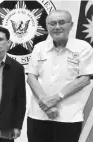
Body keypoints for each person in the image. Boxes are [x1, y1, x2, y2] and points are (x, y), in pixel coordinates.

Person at [26, 10, 93, 142]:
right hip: (38, 115)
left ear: (71, 25)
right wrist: (46, 103)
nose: (57, 27)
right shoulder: (39, 48)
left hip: (68, 117)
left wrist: (56, 98)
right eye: (52, 23)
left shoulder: (83, 48)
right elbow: (31, 77)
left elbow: (84, 79)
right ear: (47, 27)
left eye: (61, 22)